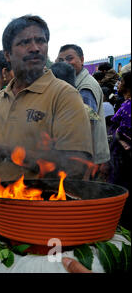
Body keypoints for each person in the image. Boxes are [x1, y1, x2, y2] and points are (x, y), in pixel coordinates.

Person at [0, 15, 93, 183]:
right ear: (8, 55)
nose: (35, 48)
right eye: (24, 43)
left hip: (41, 207)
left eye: (41, 41)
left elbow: (75, 167)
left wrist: (8, 152)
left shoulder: (64, 95)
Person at [57, 44, 110, 168]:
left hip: (86, 161)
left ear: (82, 60)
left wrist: (84, 167)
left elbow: (86, 128)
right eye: (61, 60)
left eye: (69, 58)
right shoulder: (74, 83)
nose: (65, 63)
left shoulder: (85, 88)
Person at [108, 71, 131, 229]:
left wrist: (117, 136)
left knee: (122, 193)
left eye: (121, 81)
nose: (118, 83)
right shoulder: (126, 103)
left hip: (124, 159)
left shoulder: (129, 106)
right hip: (121, 157)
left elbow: (124, 132)